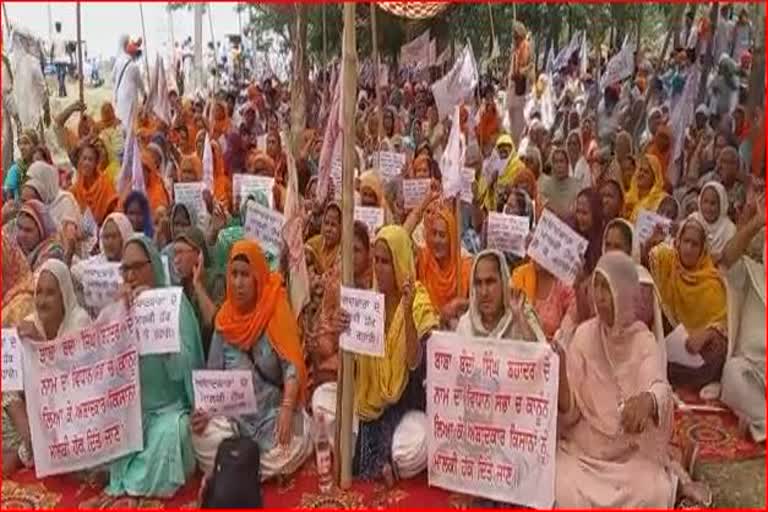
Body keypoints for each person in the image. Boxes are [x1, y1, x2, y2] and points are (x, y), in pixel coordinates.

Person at [555, 251, 675, 508]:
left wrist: (648, 401)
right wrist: (562, 372)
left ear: (624, 292)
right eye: (596, 285)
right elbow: (571, 412)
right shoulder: (584, 336)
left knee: (654, 491)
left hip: (629, 455)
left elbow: (658, 386)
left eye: (606, 288)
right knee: (562, 488)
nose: (599, 296)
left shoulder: (643, 340)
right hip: (586, 454)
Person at [191, 240, 311, 481]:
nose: (238, 283)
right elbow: (213, 375)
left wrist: (287, 408)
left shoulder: (274, 308)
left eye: (245, 275)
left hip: (272, 413)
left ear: (257, 276)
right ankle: (250, 467)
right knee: (201, 437)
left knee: (298, 436)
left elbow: (291, 366)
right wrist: (204, 411)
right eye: (233, 274)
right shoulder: (224, 321)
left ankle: (236, 468)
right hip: (234, 420)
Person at [98, 234, 204, 497]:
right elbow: (103, 367)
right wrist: (119, 313)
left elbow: (189, 369)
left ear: (154, 266)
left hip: (169, 412)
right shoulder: (116, 308)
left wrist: (159, 331)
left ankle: (141, 476)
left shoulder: (174, 306)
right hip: (134, 413)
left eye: (137, 267)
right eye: (125, 269)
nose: (130, 276)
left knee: (178, 434)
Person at [352, 225, 439, 482]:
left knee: (408, 448)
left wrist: (409, 312)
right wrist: (343, 329)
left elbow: (415, 362)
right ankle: (383, 460)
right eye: (376, 260)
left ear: (400, 262)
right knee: (327, 410)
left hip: (408, 405)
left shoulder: (417, 299)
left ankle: (389, 459)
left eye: (386, 262)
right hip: (371, 402)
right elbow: (355, 367)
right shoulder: (368, 303)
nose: (379, 267)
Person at [6, 260, 91, 476]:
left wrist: (42, 348)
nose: (42, 301)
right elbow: (9, 385)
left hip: (72, 414)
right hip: (37, 419)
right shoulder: (29, 324)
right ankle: (31, 448)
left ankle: (30, 453)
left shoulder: (80, 323)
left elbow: (78, 382)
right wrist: (29, 434)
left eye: (50, 293)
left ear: (64, 294)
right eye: (39, 292)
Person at [646, 216, 728, 393]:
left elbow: (723, 323)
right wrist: (649, 243)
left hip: (697, 351)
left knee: (718, 349)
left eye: (695, 244)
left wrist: (706, 334)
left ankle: (671, 374)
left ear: (702, 249)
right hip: (670, 342)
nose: (689, 249)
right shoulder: (667, 261)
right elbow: (647, 257)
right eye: (686, 242)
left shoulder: (711, 282)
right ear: (678, 242)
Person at [718, 208, 765, 443]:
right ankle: (763, 423)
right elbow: (726, 258)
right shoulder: (751, 273)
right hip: (752, 371)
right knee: (733, 373)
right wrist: (757, 222)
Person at [456, 249, 544, 341]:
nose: (484, 292)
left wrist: (520, 318)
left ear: (504, 282)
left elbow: (539, 352)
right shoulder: (465, 326)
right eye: (478, 283)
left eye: (490, 282)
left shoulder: (522, 316)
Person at [416, 206, 471, 328]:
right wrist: (425, 202)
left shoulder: (465, 267)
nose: (436, 240)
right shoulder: (422, 259)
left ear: (451, 238)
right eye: (433, 233)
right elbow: (403, 235)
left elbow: (479, 304)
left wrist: (459, 304)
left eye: (442, 235)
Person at [172, 227, 223, 357]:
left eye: (181, 253)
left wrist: (198, 285)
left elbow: (214, 323)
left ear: (199, 254)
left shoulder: (216, 281)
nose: (176, 260)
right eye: (175, 254)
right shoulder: (178, 289)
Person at [70, 141, 120, 226]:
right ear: (79, 161)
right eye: (84, 158)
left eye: (90, 160)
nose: (86, 163)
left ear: (96, 164)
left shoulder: (105, 184)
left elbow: (114, 212)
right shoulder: (75, 189)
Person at [22, 161, 80, 230]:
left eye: (36, 179)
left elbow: (69, 234)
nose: (32, 183)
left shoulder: (65, 201)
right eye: (30, 179)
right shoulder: (38, 198)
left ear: (46, 180)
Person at [15, 200, 65, 271]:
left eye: (28, 230)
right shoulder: (17, 246)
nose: (22, 235)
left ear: (42, 231)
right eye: (20, 228)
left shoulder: (53, 252)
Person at [693, 181, 736, 263]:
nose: (708, 207)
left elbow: (729, 257)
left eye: (713, 203)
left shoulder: (729, 228)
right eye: (705, 202)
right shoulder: (693, 220)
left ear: (721, 204)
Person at [112, 35, 146, 131]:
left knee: (121, 121)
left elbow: (112, 77)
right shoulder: (134, 67)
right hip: (130, 99)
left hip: (119, 96)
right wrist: (145, 95)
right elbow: (141, 85)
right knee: (130, 124)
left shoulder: (119, 61)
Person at [538, 147, 583, 218]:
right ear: (552, 165)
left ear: (567, 164)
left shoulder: (577, 186)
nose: (559, 166)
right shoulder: (545, 186)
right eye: (556, 162)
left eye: (561, 161)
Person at [624, 154, 667, 223]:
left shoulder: (662, 200)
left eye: (646, 172)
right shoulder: (628, 198)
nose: (641, 174)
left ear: (654, 178)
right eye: (640, 170)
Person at [305, 202, 342, 275]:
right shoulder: (315, 242)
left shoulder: (343, 250)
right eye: (326, 223)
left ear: (340, 228)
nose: (328, 229)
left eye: (333, 225)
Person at [50, 22, 68, 97]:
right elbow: (67, 49)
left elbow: (52, 49)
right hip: (63, 59)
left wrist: (51, 58)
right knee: (62, 77)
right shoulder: (64, 37)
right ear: (61, 27)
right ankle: (64, 92)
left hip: (57, 60)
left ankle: (61, 92)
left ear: (56, 28)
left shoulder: (54, 37)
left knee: (59, 77)